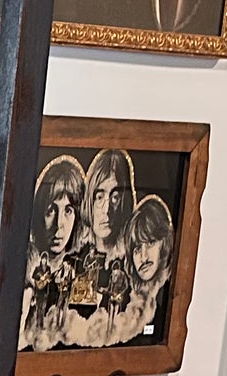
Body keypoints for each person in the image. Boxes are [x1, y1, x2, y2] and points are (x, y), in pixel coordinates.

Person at [68, 148, 136, 346]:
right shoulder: (74, 259)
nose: (106, 209)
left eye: (114, 197)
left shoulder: (132, 267)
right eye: (99, 196)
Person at [21, 154, 85, 350]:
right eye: (51, 210)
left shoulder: (79, 269)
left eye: (68, 211)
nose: (59, 225)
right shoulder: (26, 267)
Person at [117, 191, 175, 343]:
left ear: (164, 243)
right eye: (137, 249)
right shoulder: (127, 300)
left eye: (150, 243)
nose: (143, 257)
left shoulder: (170, 299)